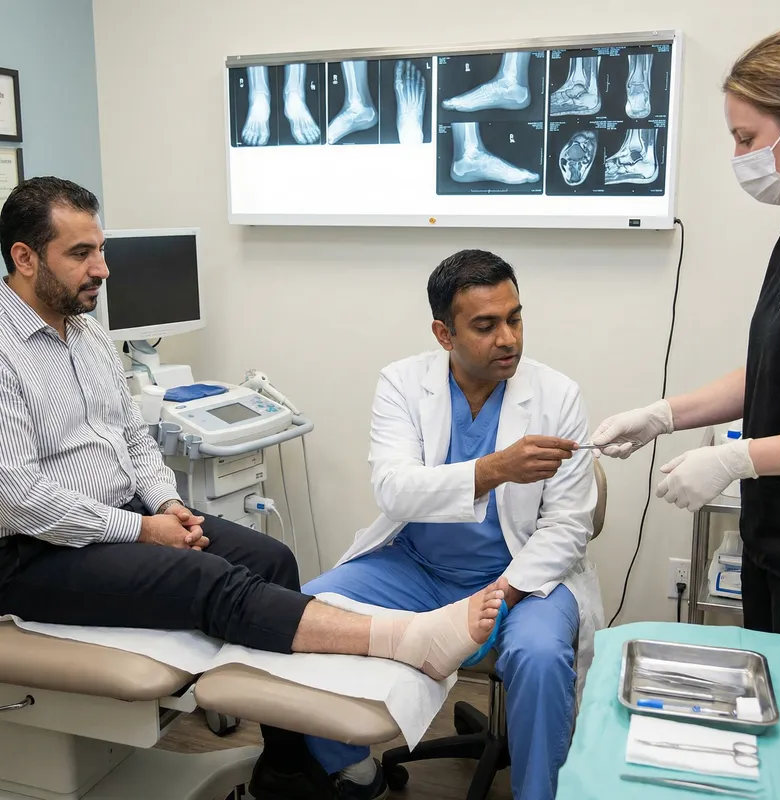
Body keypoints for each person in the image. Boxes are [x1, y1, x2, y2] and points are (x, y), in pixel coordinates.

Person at [0, 177, 506, 800]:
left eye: (101, 250)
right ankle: (409, 640)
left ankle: (288, 763)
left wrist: (168, 504)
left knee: (271, 557)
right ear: (24, 257)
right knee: (207, 581)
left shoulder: (88, 334)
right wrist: (142, 529)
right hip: (33, 551)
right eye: (81, 254)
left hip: (121, 515)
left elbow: (134, 439)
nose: (102, 269)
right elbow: (17, 495)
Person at [294, 249, 604, 800]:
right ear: (444, 333)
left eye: (515, 318)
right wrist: (495, 468)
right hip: (416, 566)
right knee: (307, 614)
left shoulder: (558, 395)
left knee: (539, 656)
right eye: (485, 325)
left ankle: (539, 793)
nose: (507, 338)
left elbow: (567, 524)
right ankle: (349, 768)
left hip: (522, 577)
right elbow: (394, 489)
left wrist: (501, 593)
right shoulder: (402, 384)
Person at [591, 28, 780, 636]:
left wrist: (738, 458)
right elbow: (767, 373)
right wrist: (661, 415)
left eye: (749, 139)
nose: (742, 159)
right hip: (773, 535)